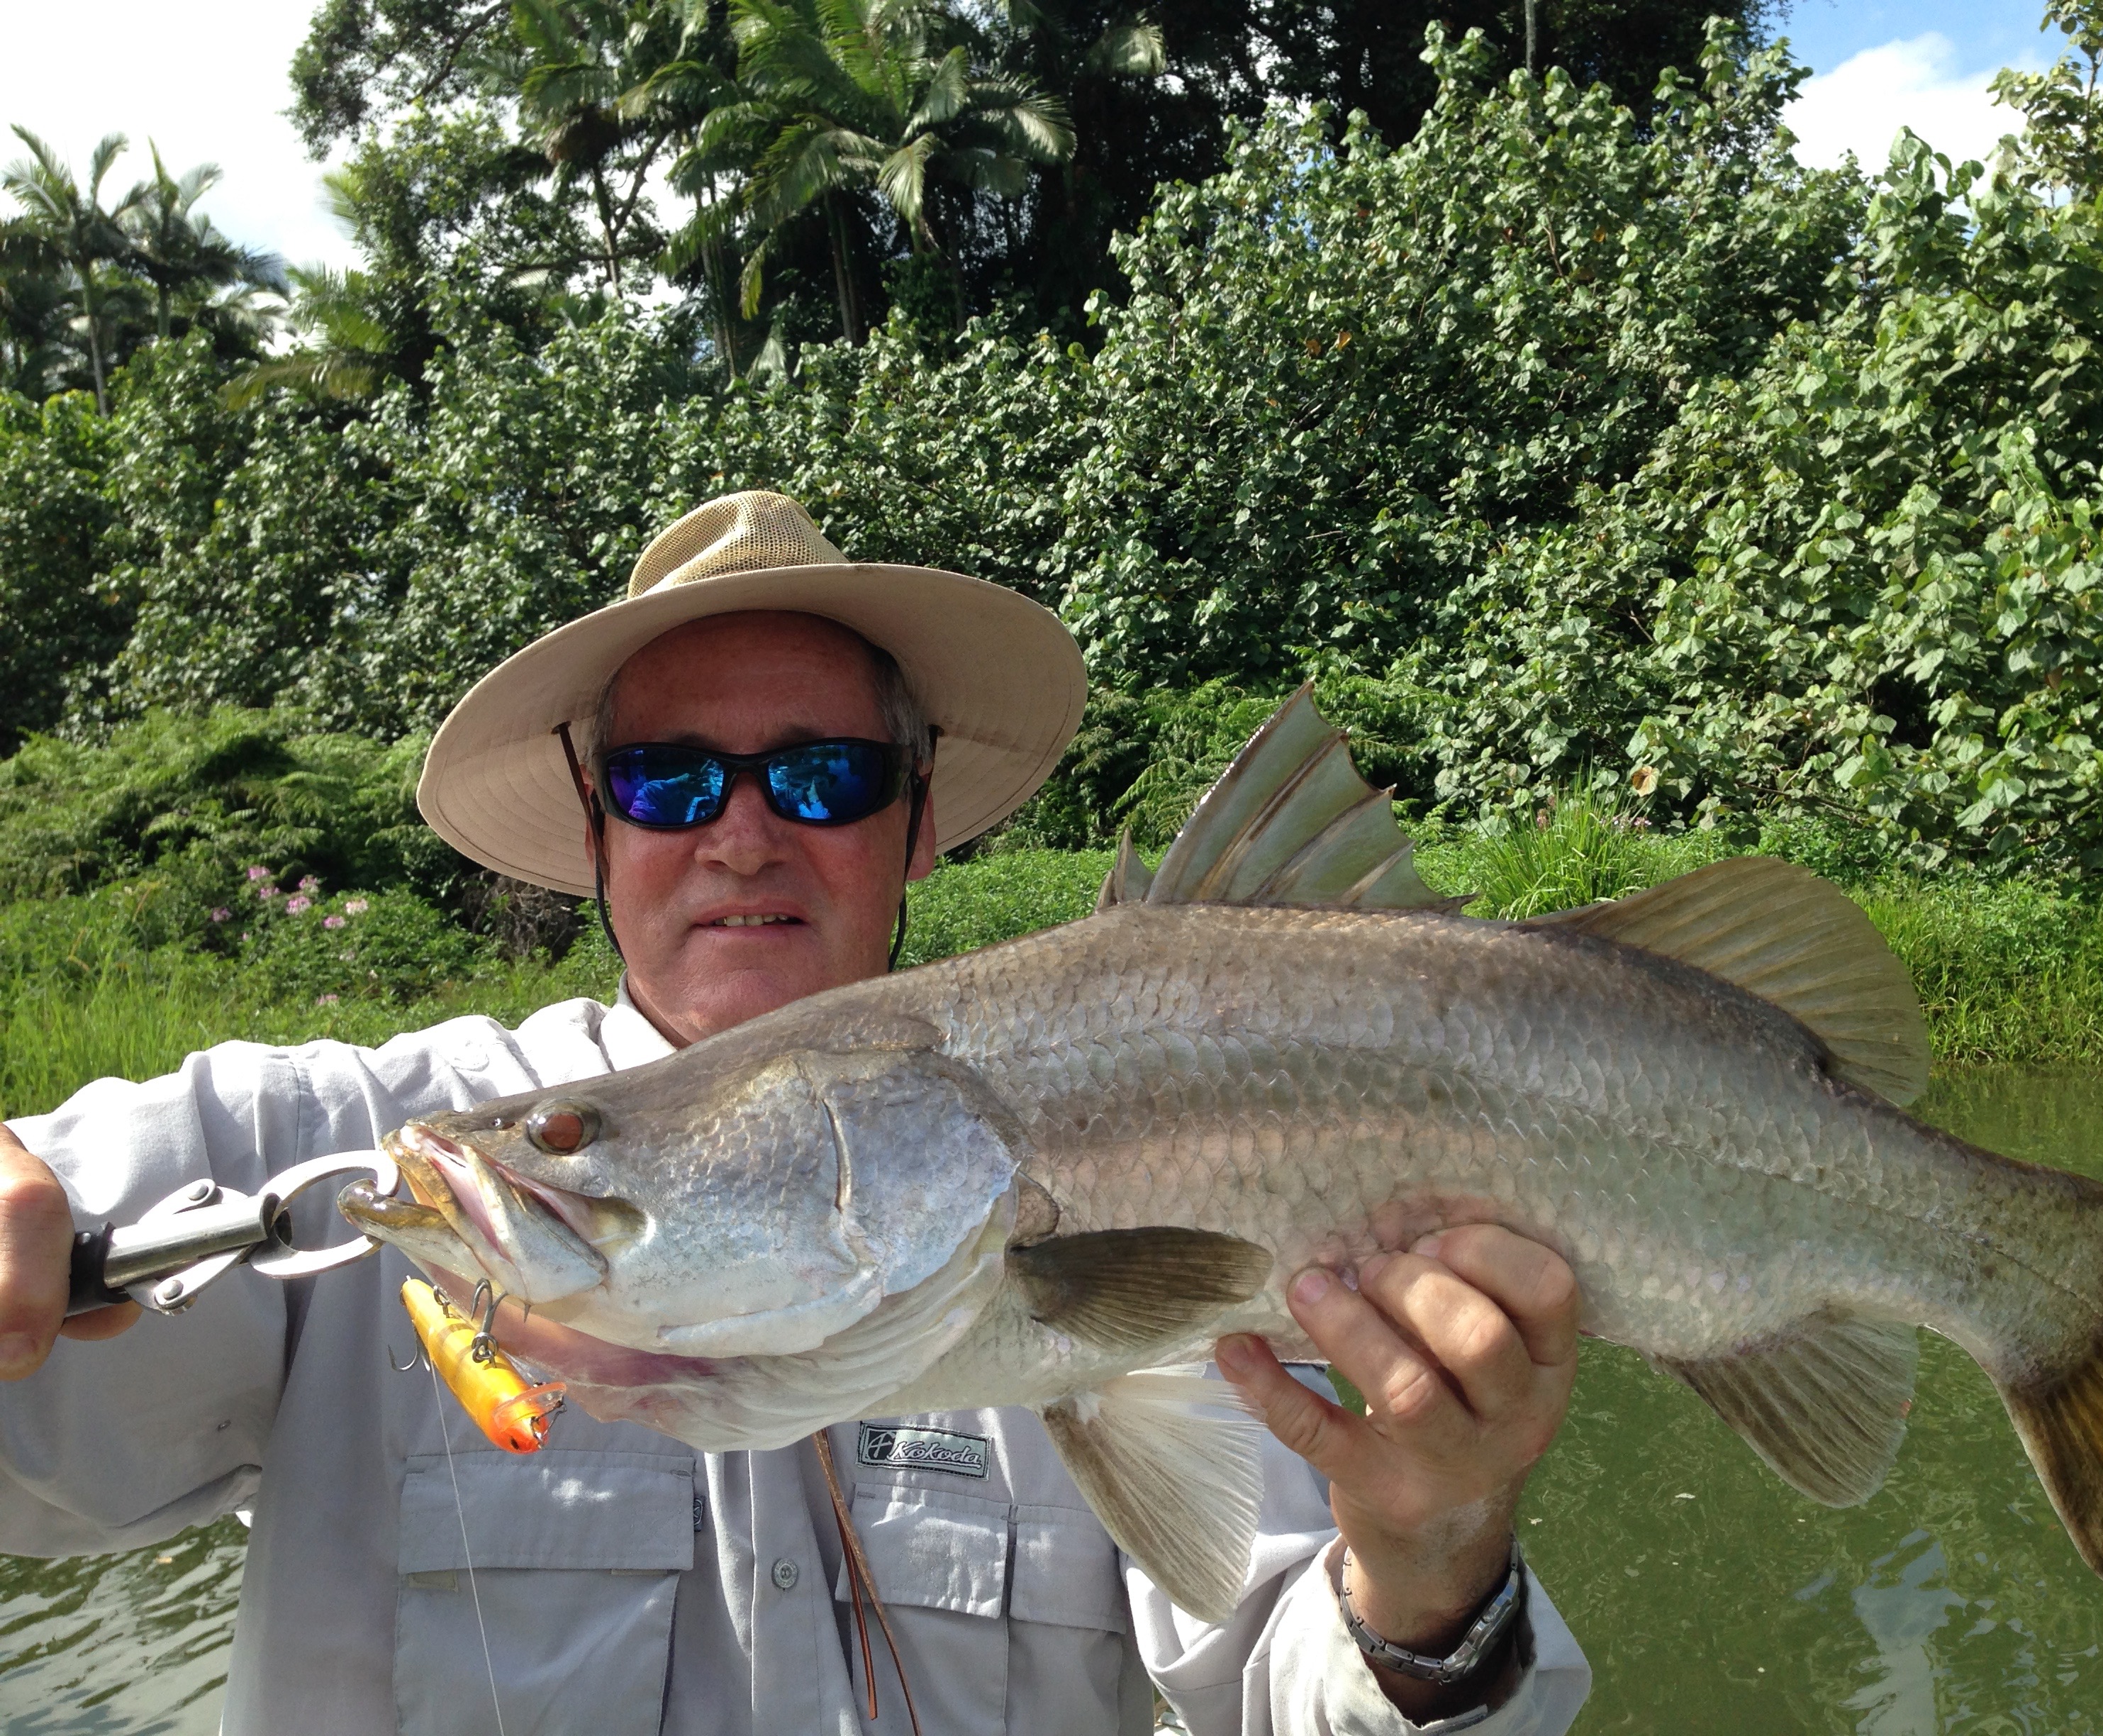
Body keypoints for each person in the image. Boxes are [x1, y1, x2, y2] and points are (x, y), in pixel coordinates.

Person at [0, 492, 1591, 1735]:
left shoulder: (1158, 1136)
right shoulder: (352, 1141)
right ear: (595, 828)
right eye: (670, 781)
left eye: (822, 777)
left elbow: (1297, 1700)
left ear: (912, 826)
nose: (744, 836)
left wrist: (1432, 1574)